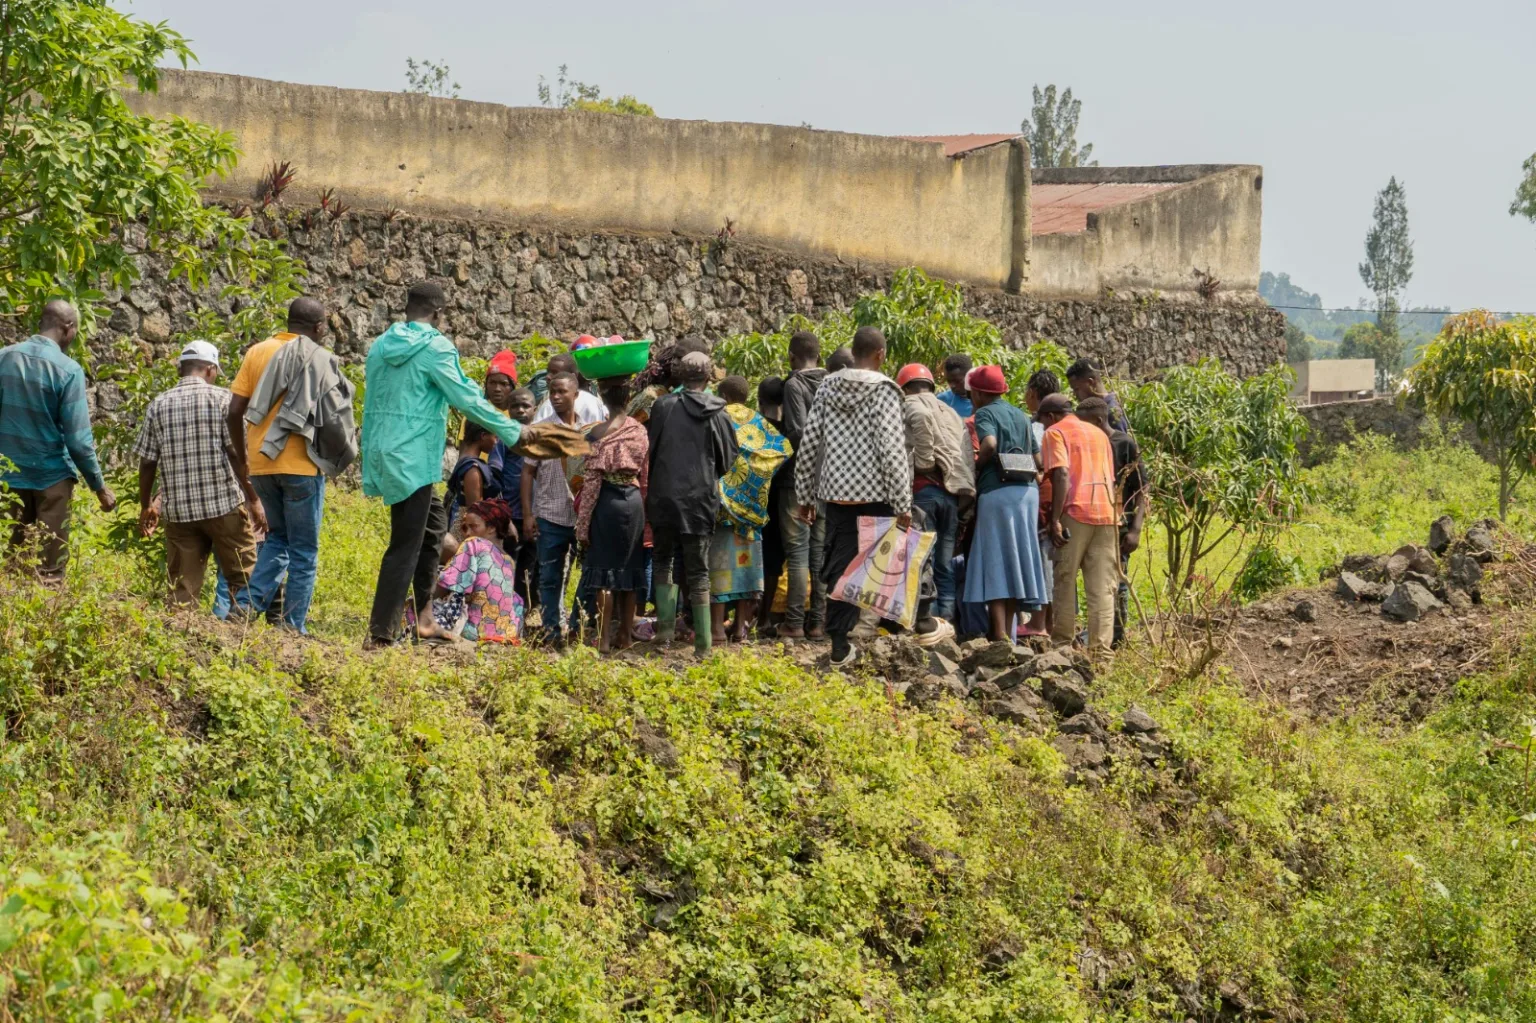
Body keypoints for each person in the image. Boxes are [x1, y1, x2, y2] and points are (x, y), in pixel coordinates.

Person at [360, 282, 529, 649]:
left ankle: (424, 621)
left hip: (386, 452)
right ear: (438, 314)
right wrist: (513, 430)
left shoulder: (380, 346)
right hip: (414, 456)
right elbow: (467, 398)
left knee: (433, 529)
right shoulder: (435, 347)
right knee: (405, 543)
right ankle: (380, 634)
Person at [226, 297, 355, 634]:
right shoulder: (321, 358)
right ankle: (292, 627)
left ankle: (243, 607)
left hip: (261, 464)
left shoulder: (257, 352)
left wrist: (244, 460)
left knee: (278, 540)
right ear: (319, 327)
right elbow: (334, 418)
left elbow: (233, 410)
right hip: (301, 466)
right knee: (303, 551)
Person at [794, 326, 912, 667]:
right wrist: (903, 503)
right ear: (880, 354)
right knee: (889, 565)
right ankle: (898, 633)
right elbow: (892, 451)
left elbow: (810, 442)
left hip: (838, 497)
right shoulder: (885, 391)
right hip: (877, 496)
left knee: (842, 568)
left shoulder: (828, 385)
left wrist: (805, 495)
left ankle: (840, 645)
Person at [135, 341, 266, 608]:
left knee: (182, 589)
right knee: (243, 578)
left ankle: (181, 640)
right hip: (224, 506)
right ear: (209, 369)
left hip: (180, 514)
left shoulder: (157, 405)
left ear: (181, 369)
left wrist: (146, 505)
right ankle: (239, 633)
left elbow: (147, 463)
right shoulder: (223, 400)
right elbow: (235, 455)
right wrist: (252, 498)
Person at [0, 300, 115, 581]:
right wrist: (99, 487)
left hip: (7, 477)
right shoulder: (68, 370)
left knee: (11, 566)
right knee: (48, 572)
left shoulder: (3, 357)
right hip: (52, 480)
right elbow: (78, 441)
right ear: (68, 328)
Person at [645, 351, 737, 656]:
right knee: (698, 571)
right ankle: (703, 646)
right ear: (709, 377)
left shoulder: (663, 406)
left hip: (664, 496)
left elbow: (653, 449)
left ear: (680, 376)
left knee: (663, 562)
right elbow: (727, 459)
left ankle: (665, 636)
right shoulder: (720, 414)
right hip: (700, 500)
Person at [962, 365, 1050, 643]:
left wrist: (975, 468)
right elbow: (1038, 462)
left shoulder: (985, 413)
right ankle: (1008, 632)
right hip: (1026, 495)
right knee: (1017, 559)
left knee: (995, 558)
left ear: (978, 393)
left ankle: (998, 633)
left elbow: (988, 444)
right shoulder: (1021, 416)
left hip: (997, 493)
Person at [710, 375, 791, 644]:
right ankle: (740, 628)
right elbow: (783, 449)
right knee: (747, 567)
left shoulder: (718, 417)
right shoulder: (759, 423)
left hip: (722, 507)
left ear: (722, 394)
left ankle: (718, 629)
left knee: (721, 566)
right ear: (747, 397)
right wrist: (757, 480)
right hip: (753, 508)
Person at [1037, 392, 1119, 658]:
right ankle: (1101, 654)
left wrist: (1055, 519)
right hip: (1107, 514)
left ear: (1050, 417)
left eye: (1044, 421)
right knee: (1102, 587)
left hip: (1075, 511)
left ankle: (1062, 647)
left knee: (1065, 578)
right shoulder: (1100, 434)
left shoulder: (1055, 433)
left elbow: (1061, 474)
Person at [574, 377, 649, 653]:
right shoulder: (639, 430)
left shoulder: (596, 434)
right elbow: (645, 474)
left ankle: (604, 639)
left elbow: (591, 484)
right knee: (629, 572)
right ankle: (626, 637)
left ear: (603, 400)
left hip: (607, 504)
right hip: (633, 504)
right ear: (628, 399)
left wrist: (583, 526)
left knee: (604, 573)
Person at [897, 363, 975, 622]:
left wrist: (925, 460)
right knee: (944, 565)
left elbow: (919, 419)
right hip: (952, 495)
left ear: (905, 387)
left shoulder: (910, 404)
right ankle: (947, 623)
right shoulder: (951, 412)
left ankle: (926, 623)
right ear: (930, 385)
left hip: (924, 493)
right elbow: (966, 453)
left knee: (922, 561)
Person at [1076, 396, 1149, 647]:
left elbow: (1141, 489)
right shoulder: (1087, 445)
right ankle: (1101, 633)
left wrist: (1136, 529)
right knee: (1098, 582)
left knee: (1117, 580)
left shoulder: (1123, 444)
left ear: (1098, 420)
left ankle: (1117, 637)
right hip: (1093, 521)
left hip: (1120, 524)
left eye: (1085, 424)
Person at [521, 374, 583, 646]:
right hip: (549, 513)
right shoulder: (541, 429)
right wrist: (528, 513)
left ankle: (578, 628)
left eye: (562, 392)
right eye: (552, 392)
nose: (556, 397)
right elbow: (527, 472)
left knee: (588, 574)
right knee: (549, 575)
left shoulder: (588, 428)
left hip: (581, 515)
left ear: (575, 394)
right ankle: (551, 632)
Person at [776, 330, 828, 639]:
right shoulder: (834, 381)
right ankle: (818, 623)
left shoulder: (794, 385)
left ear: (792, 358)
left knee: (797, 553)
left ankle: (794, 622)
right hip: (829, 480)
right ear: (819, 357)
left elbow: (797, 431)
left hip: (798, 479)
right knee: (818, 553)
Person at [419, 498, 524, 644]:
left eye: (473, 526)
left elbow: (446, 585)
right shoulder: (509, 561)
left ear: (492, 528)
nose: (467, 533)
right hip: (506, 634)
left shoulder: (474, 544)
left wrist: (422, 604)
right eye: (464, 528)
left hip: (475, 631)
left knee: (416, 613)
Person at [487, 384, 538, 606]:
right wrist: (503, 515)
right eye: (515, 406)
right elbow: (495, 475)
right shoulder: (504, 438)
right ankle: (507, 607)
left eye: (525, 406)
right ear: (507, 409)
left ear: (534, 409)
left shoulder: (540, 436)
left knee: (533, 562)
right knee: (509, 562)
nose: (520, 410)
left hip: (537, 512)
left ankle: (529, 606)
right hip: (512, 513)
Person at [1022, 368, 1063, 636]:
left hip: (1043, 502)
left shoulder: (1036, 428)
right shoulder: (1068, 426)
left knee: (1043, 560)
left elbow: (1037, 467)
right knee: (1059, 565)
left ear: (1033, 394)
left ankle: (1040, 624)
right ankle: (1053, 623)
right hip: (1065, 502)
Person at [756, 375, 789, 633]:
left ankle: (747, 615)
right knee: (775, 561)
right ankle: (765, 617)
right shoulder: (790, 429)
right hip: (782, 500)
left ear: (759, 401)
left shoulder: (755, 428)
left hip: (754, 502)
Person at [628, 336, 710, 424]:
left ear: (696, 361)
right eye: (673, 357)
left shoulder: (704, 400)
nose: (673, 362)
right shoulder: (660, 391)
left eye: (679, 358)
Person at [445, 422, 499, 530]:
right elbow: (475, 512)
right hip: (468, 531)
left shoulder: (464, 460)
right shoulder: (473, 469)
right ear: (483, 436)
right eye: (495, 437)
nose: (496, 442)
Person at [534, 352, 605, 425]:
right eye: (548, 372)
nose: (548, 376)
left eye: (555, 373)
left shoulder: (551, 405)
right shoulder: (594, 401)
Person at [1065, 358, 1130, 434]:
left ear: (1090, 382)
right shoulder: (1097, 409)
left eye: (1076, 389)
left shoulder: (1112, 413)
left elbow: (1119, 443)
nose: (1074, 394)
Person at [937, 353, 975, 417]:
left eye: (957, 381)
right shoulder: (941, 400)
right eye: (949, 381)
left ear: (969, 376)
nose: (952, 386)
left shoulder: (983, 401)